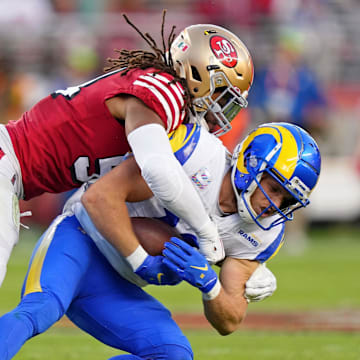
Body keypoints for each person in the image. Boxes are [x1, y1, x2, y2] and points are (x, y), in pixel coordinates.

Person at [0, 122, 321, 359]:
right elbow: (99, 198)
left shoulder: (263, 231)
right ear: (251, 163)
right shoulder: (195, 155)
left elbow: (231, 318)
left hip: (116, 283)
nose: (274, 205)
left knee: (173, 356)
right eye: (275, 188)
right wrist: (141, 257)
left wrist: (210, 285)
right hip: (81, 239)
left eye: (286, 200)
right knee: (40, 309)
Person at [0, 11, 254, 286]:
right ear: (200, 74)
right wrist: (207, 232)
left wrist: (241, 262)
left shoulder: (166, 99)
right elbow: (158, 171)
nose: (223, 108)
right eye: (223, 94)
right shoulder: (164, 93)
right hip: (8, 160)